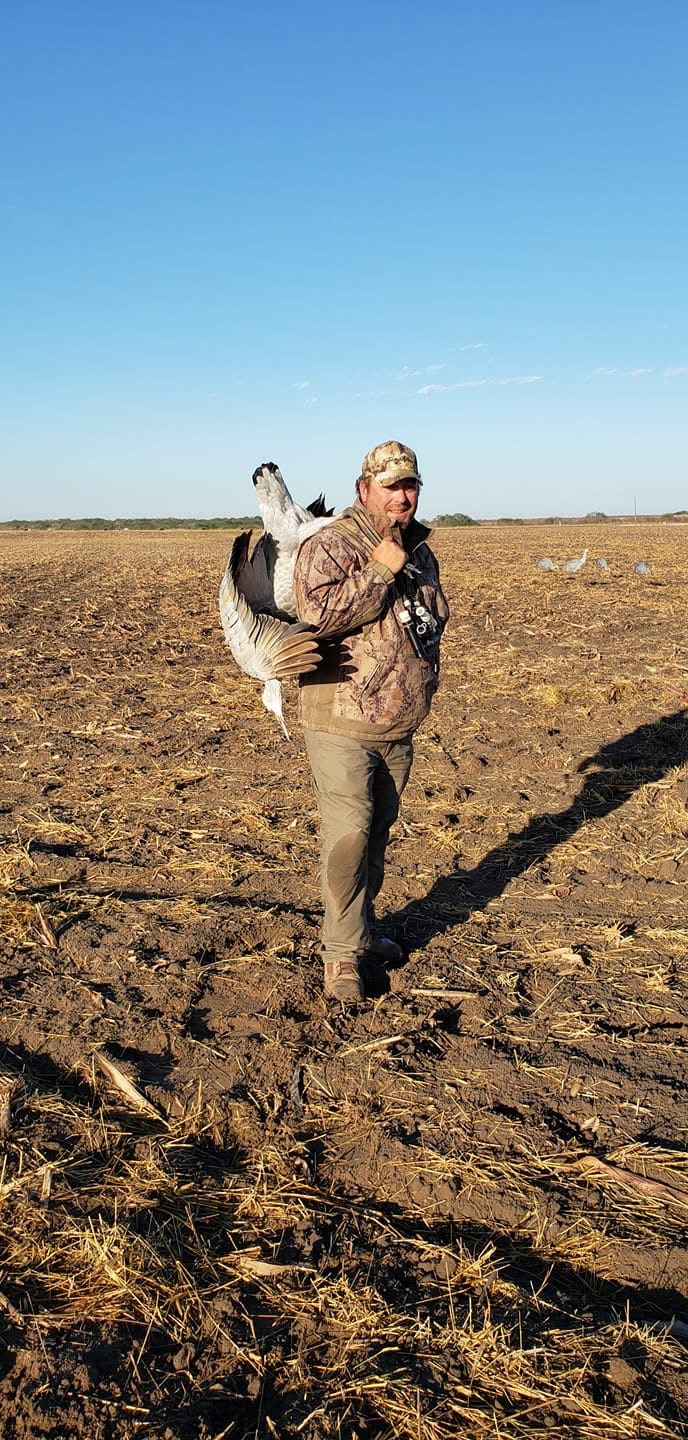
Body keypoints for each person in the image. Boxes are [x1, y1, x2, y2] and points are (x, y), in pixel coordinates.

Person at [293, 440, 449, 1002]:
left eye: (411, 486)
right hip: (341, 718)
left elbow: (429, 622)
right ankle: (340, 955)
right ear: (364, 489)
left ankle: (360, 932)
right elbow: (319, 617)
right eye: (391, 486)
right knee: (349, 834)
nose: (403, 497)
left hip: (398, 723)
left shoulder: (420, 550)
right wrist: (381, 572)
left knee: (376, 834)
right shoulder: (330, 544)